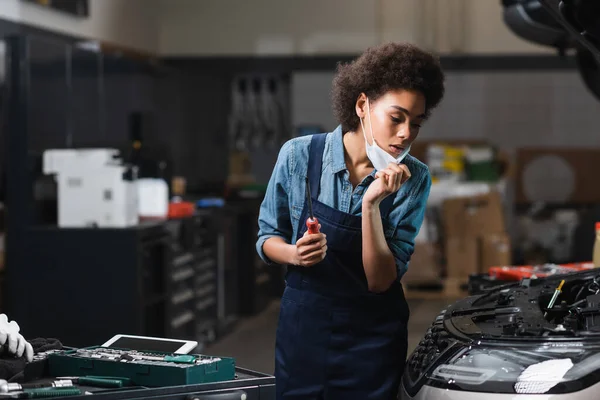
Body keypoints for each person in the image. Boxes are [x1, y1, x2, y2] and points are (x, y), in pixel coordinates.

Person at [256, 42, 445, 399]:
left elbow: (380, 281)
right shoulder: (298, 156)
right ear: (362, 105)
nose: (406, 133)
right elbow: (267, 237)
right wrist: (294, 255)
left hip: (371, 339)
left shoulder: (413, 179)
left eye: (416, 123)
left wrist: (372, 206)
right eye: (396, 118)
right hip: (305, 332)